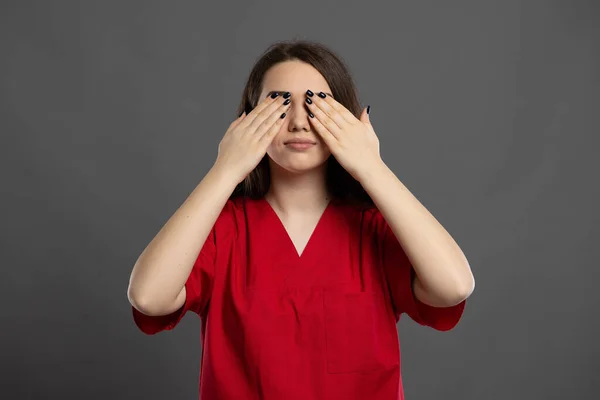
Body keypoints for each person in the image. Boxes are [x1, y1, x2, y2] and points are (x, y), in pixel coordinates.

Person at [127, 40, 475, 400]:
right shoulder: (223, 229)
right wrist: (225, 169)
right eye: (278, 104)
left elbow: (454, 287)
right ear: (248, 119)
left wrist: (372, 166)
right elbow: (148, 297)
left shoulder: (372, 228)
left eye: (317, 104)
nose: (297, 122)